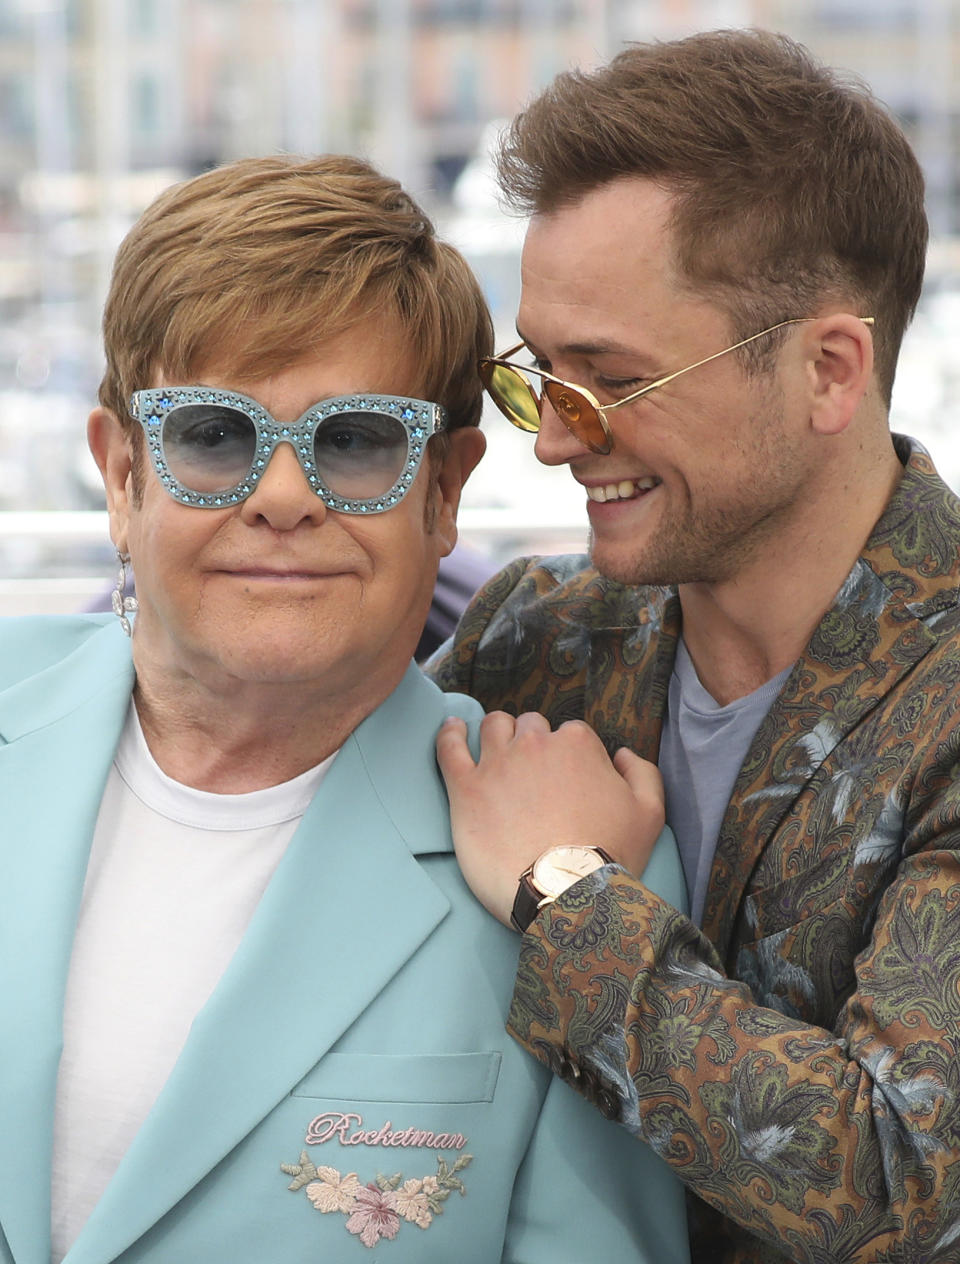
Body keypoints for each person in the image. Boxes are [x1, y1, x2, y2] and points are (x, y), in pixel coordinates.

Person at [0, 155, 691, 1263]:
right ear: (122, 475)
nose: (280, 498)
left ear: (447, 489)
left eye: (356, 441)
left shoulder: (580, 876)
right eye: (213, 436)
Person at [429, 29, 960, 1264]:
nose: (554, 442)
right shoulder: (530, 636)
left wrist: (569, 890)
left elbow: (899, 1180)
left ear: (829, 370)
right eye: (535, 377)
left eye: (604, 382)